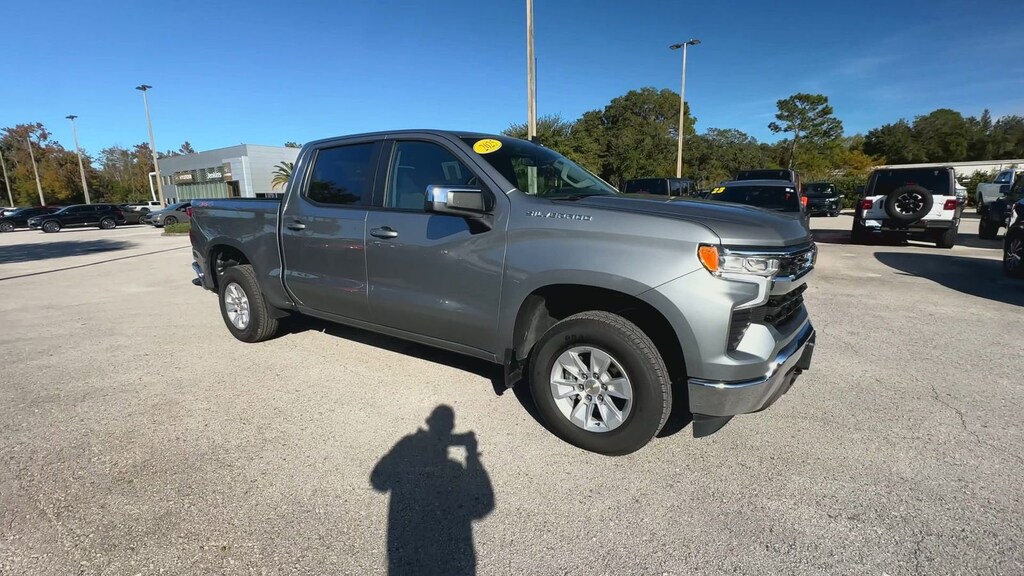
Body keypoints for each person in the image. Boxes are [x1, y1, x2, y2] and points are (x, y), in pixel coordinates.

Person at [370, 405, 494, 576]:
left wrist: (403, 451)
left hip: (408, 556)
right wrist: (472, 457)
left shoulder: (411, 447)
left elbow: (379, 480)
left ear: (429, 423)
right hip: (452, 560)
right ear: (451, 428)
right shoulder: (455, 469)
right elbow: (483, 505)